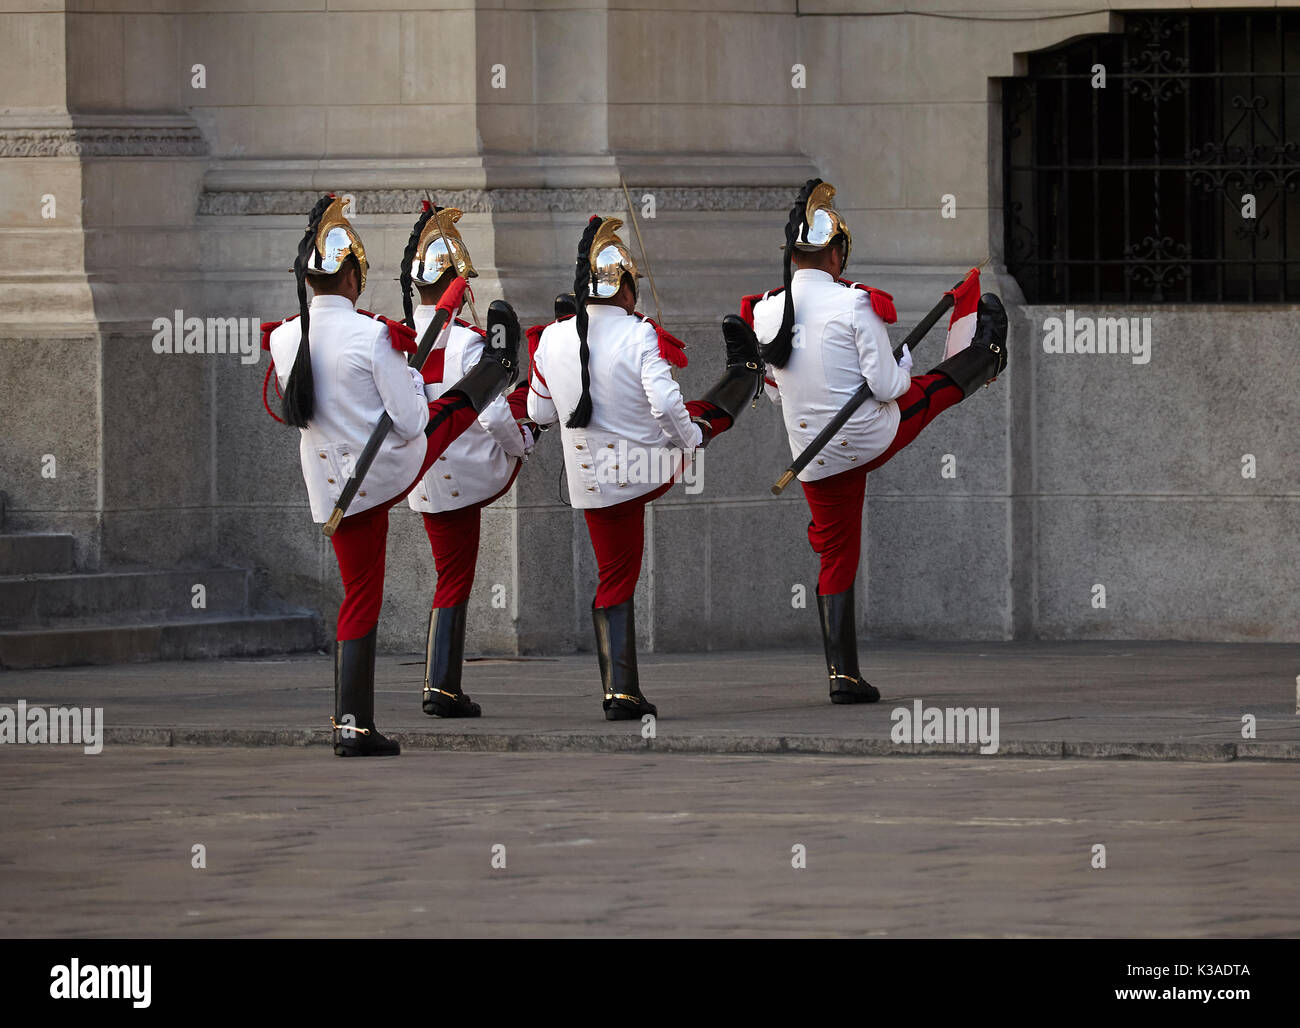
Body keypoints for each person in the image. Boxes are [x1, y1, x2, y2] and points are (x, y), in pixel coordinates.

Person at [263, 194, 519, 756]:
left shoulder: (285, 337)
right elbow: (409, 420)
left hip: (327, 483)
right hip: (378, 472)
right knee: (448, 415)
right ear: (352, 275)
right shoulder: (372, 336)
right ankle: (352, 724)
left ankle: (355, 720)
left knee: (359, 594)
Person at [745, 179, 1008, 705]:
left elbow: (775, 393)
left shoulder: (765, 310)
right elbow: (889, 387)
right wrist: (902, 366)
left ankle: (842, 676)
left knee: (835, 555)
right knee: (930, 390)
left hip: (812, 455)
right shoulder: (856, 304)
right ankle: (989, 353)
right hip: (868, 436)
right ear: (837, 253)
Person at [528, 215, 764, 720]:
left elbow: (538, 413)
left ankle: (620, 689)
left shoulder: (550, 339)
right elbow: (664, 404)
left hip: (587, 480)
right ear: (627, 289)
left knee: (614, 575)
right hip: (644, 469)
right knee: (703, 415)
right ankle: (744, 373)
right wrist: (693, 440)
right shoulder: (638, 336)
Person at [398, 203, 534, 718]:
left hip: (421, 475)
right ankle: (440, 686)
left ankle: (442, 683)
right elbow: (494, 412)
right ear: (458, 285)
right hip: (467, 472)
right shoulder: (469, 343)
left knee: (447, 573)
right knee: (454, 577)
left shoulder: (395, 338)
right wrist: (521, 443)